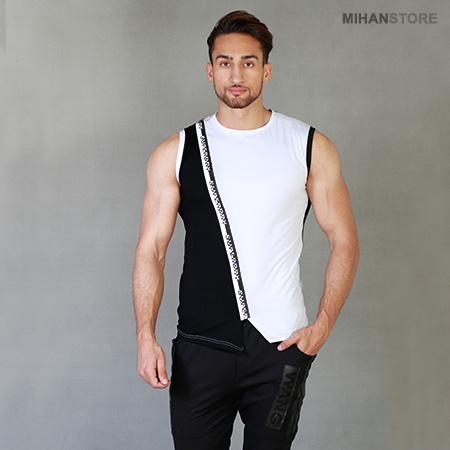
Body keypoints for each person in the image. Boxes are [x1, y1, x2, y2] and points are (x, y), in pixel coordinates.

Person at [133, 10, 359, 450]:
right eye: (225, 63)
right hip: (200, 347)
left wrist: (323, 325)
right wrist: (145, 335)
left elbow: (345, 241)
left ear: (266, 70)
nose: (236, 75)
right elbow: (151, 251)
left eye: (248, 63)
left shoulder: (308, 145)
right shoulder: (176, 152)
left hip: (281, 347)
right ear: (210, 70)